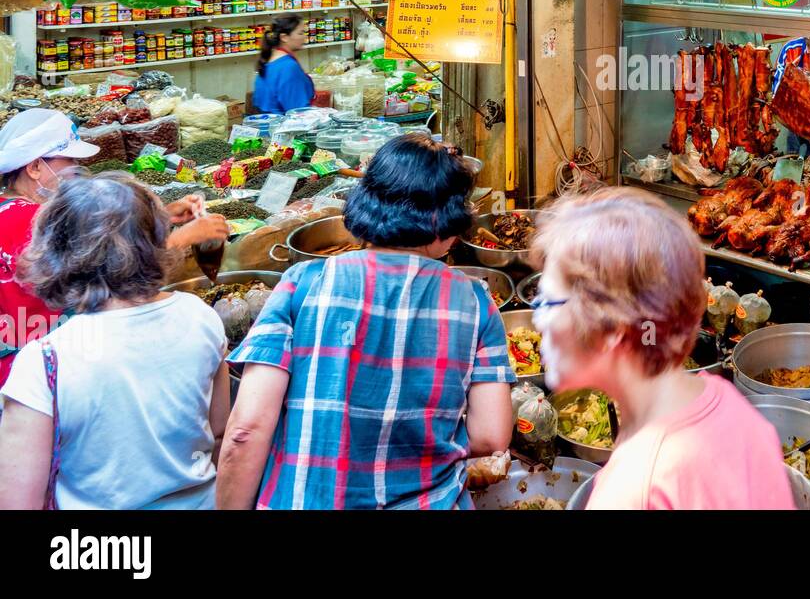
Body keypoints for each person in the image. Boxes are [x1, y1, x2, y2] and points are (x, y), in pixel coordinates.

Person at [216, 132, 514, 509]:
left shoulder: (302, 283)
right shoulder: (475, 302)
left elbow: (245, 430)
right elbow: (490, 436)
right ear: (447, 222)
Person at [531, 188, 794, 510]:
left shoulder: (632, 488)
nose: (537, 320)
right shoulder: (732, 405)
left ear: (612, 326)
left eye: (547, 302)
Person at [0, 172, 229, 509]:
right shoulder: (200, 316)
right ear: (155, 241)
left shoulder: (45, 361)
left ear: (54, 251)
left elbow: (19, 503)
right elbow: (221, 431)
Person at [0, 109, 228, 386]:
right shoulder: (33, 220)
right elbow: (112, 273)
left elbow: (97, 240)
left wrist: (162, 216)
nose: (76, 172)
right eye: (69, 160)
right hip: (43, 372)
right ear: (35, 167)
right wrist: (182, 238)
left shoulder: (13, 211)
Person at [252, 14, 316, 114]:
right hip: (285, 127)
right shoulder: (288, 67)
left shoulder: (270, 60)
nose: (304, 37)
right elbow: (298, 112)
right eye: (300, 33)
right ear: (284, 37)